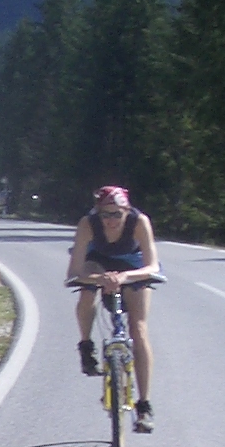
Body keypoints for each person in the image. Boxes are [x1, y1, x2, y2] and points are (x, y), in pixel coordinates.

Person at [66, 184, 160, 430]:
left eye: (117, 214)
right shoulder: (88, 224)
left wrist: (124, 277)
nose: (111, 220)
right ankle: (86, 344)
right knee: (86, 292)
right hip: (98, 263)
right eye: (105, 214)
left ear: (126, 211)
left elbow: (152, 266)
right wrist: (99, 279)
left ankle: (144, 405)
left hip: (133, 267)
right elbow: (74, 270)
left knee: (139, 329)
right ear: (97, 212)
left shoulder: (139, 222)